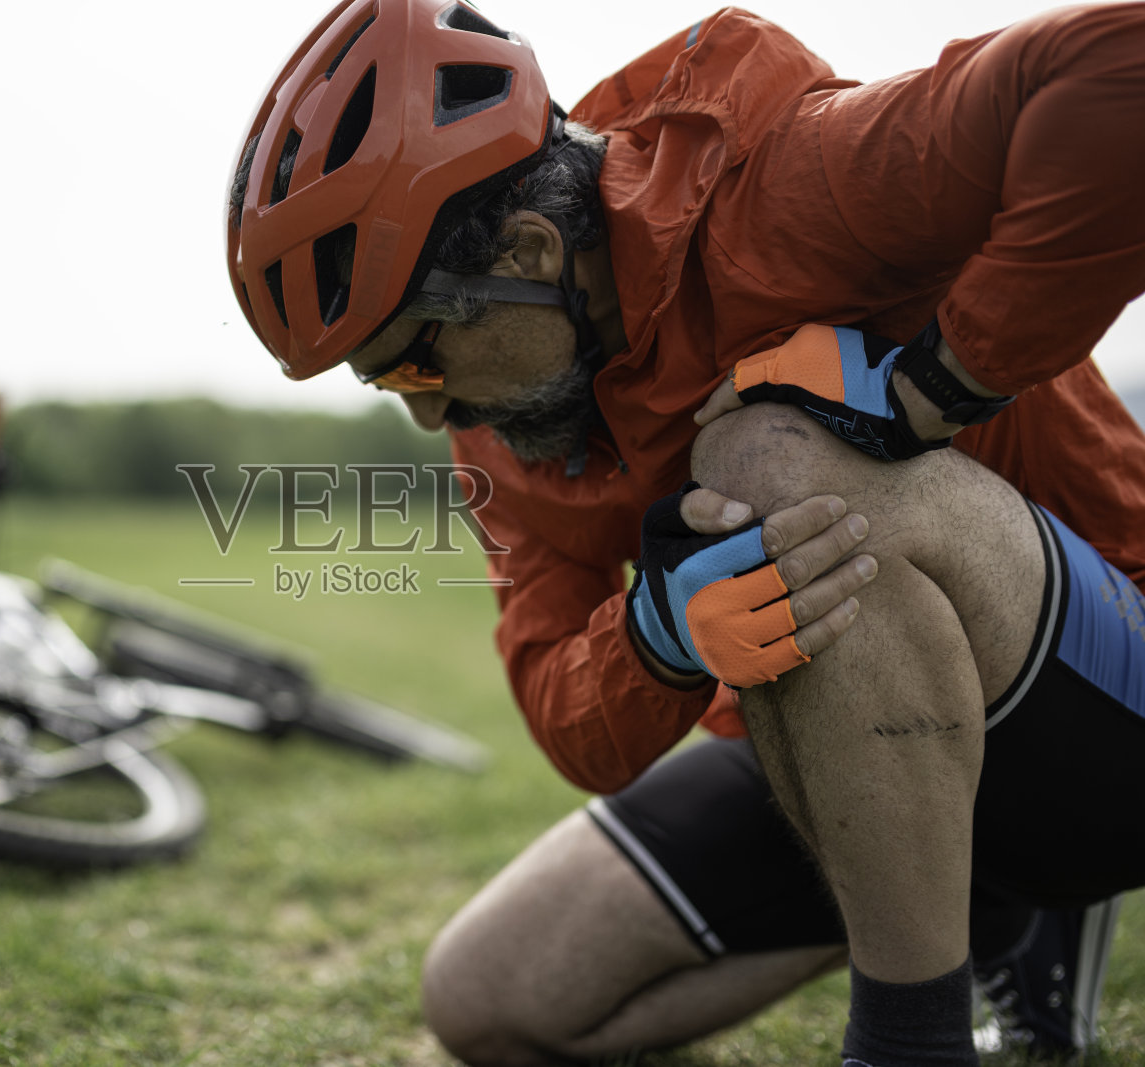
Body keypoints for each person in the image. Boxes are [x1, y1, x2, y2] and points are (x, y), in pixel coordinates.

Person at [225, 1, 1145, 1063]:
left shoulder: (788, 181)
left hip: (1104, 687)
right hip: (862, 722)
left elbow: (1116, 70)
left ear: (527, 250)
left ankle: (909, 1040)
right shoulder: (503, 426)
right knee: (485, 995)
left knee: (763, 460)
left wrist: (934, 389)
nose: (426, 413)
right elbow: (566, 717)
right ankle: (978, 914)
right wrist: (657, 630)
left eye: (414, 361)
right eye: (383, 382)